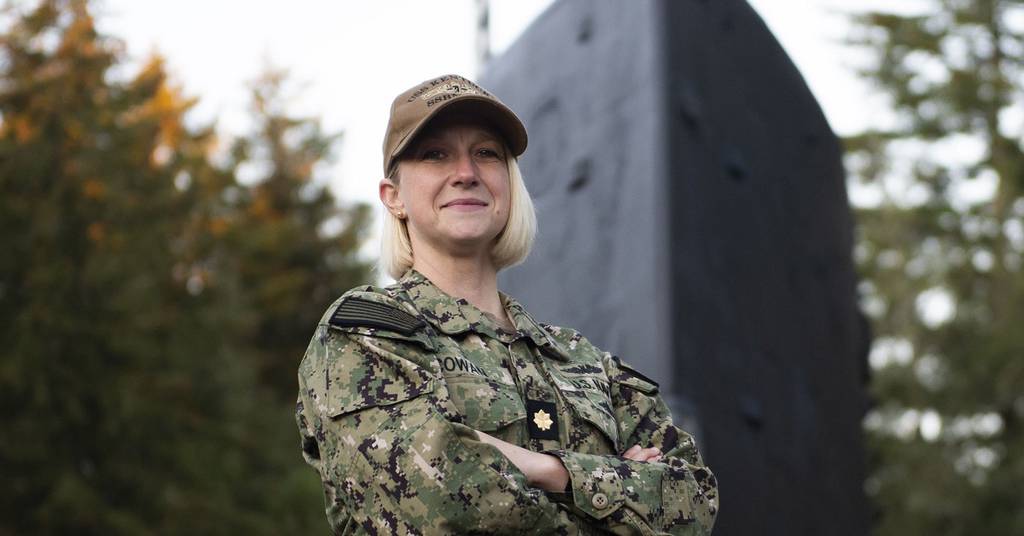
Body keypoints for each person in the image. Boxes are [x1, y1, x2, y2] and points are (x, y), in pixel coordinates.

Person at [295, 74, 718, 535]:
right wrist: (616, 490)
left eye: (487, 153)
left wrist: (547, 469)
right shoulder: (367, 333)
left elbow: (692, 502)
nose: (466, 172)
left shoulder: (583, 361)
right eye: (435, 154)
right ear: (393, 197)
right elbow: (445, 504)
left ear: (508, 185)